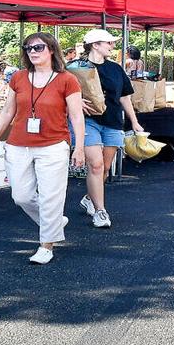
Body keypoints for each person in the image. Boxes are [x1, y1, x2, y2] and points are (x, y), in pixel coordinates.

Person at [0, 32, 84, 265]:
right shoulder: (18, 78)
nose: (32, 52)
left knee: (51, 197)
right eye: (28, 48)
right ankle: (54, 222)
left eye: (38, 47)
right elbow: (7, 111)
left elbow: (76, 116)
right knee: (21, 196)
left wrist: (79, 147)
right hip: (18, 144)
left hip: (54, 145)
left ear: (51, 50)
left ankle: (46, 245)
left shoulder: (67, 79)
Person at [68, 28, 145, 230]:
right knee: (96, 165)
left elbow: (124, 97)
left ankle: (89, 198)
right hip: (87, 121)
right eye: (108, 43)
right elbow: (62, 92)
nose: (113, 46)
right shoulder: (74, 68)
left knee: (105, 167)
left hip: (112, 121)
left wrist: (134, 121)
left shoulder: (116, 69)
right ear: (95, 45)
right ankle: (100, 211)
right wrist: (74, 102)